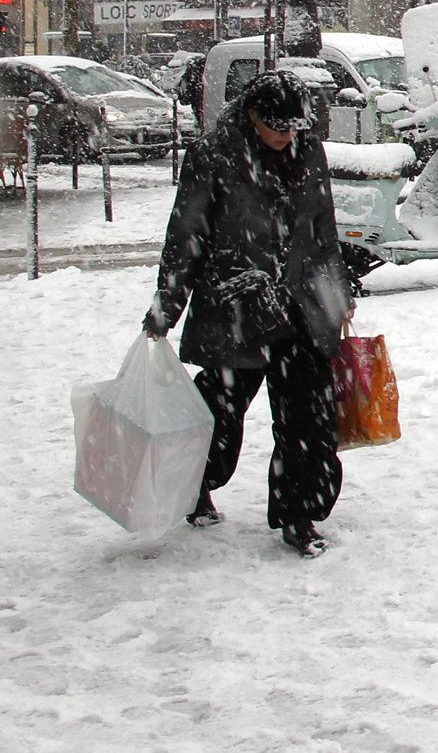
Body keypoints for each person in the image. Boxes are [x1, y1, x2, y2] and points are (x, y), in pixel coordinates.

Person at [144, 68, 351, 557]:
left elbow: (323, 229)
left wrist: (337, 296)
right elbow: (187, 234)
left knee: (309, 415)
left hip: (300, 303)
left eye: (293, 128)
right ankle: (194, 482)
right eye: (275, 126)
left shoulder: (308, 152)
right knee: (220, 409)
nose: (285, 137)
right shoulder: (214, 155)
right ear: (251, 114)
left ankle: (300, 514)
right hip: (236, 303)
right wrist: (167, 304)